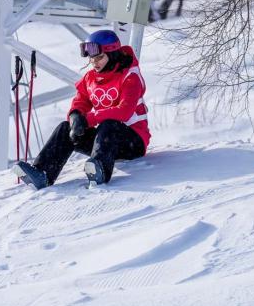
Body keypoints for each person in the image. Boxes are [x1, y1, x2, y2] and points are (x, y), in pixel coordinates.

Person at [12, 29, 151, 189]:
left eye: (99, 57)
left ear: (112, 55)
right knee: (65, 128)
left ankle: (100, 170)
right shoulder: (90, 78)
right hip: (106, 142)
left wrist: (89, 119)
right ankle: (42, 173)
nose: (94, 62)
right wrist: (75, 116)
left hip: (133, 142)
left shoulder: (130, 77)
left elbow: (124, 112)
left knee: (109, 124)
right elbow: (81, 101)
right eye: (92, 58)